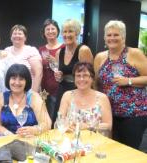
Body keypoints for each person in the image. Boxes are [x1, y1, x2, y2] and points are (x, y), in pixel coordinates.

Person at [94, 20, 147, 150]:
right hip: (108, 114)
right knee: (108, 150)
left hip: (133, 115)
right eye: (109, 35)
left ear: (123, 37)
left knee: (128, 151)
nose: (112, 38)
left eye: (116, 35)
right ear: (104, 38)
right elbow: (96, 83)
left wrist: (128, 81)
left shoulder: (134, 54)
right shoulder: (100, 57)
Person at [0, 64, 51, 137]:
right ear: (8, 80)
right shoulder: (1, 97)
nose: (17, 82)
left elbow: (47, 124)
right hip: (6, 140)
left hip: (29, 139)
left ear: (26, 81)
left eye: (21, 79)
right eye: (13, 78)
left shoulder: (34, 97)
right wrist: (9, 135)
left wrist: (34, 130)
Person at [54, 19, 93, 123]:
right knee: (60, 123)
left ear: (77, 32)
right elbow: (61, 74)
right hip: (62, 91)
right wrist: (59, 76)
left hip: (79, 92)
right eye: (64, 32)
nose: (67, 35)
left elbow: (90, 76)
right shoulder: (59, 52)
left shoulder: (83, 50)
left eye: (70, 31)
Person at [58, 62, 112, 130]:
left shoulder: (102, 98)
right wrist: (68, 125)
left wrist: (88, 127)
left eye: (85, 75)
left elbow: (108, 125)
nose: (81, 79)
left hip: (95, 138)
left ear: (92, 78)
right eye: (78, 76)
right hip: (71, 138)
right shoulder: (67, 95)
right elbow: (60, 120)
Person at [38, 18, 64, 127]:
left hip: (58, 88)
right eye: (47, 29)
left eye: (53, 28)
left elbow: (66, 67)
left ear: (57, 31)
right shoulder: (41, 49)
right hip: (44, 90)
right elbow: (39, 70)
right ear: (44, 33)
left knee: (56, 118)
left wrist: (55, 61)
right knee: (44, 118)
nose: (50, 31)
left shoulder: (63, 47)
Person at [5, 24, 42, 92]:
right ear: (11, 37)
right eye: (14, 33)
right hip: (10, 92)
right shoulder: (6, 51)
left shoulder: (31, 51)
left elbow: (38, 74)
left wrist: (33, 94)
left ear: (25, 37)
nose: (17, 35)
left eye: (20, 33)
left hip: (28, 92)